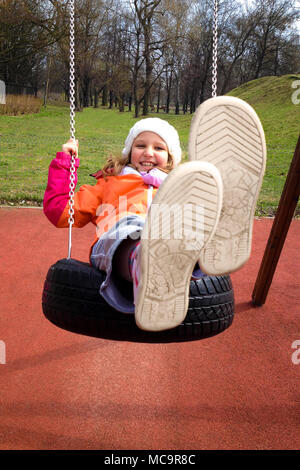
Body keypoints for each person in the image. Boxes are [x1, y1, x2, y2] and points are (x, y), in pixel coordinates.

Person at [44, 97, 266, 332]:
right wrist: (65, 163)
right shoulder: (109, 184)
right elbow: (60, 213)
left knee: (187, 225)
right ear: (129, 152)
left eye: (159, 148)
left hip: (175, 241)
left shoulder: (181, 185)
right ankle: (148, 262)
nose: (148, 152)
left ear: (171, 158)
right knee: (132, 230)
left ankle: (217, 234)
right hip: (117, 243)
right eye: (140, 146)